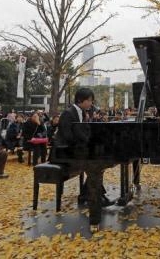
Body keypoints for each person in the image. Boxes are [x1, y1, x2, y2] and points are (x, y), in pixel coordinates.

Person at [55, 88, 115, 228]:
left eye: (91, 100)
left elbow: (84, 134)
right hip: (63, 153)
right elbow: (67, 137)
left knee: (97, 164)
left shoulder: (82, 113)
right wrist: (85, 146)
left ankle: (90, 195)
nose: (91, 103)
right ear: (80, 100)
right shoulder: (68, 113)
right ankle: (95, 212)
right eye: (89, 100)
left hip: (76, 151)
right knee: (95, 166)